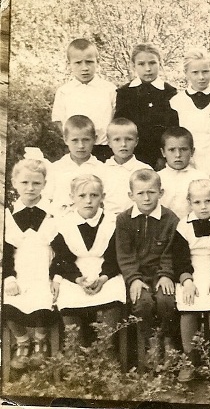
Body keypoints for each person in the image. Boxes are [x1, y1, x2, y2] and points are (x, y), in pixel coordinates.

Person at [50, 174, 126, 347]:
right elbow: (63, 258)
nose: (88, 201)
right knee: (68, 298)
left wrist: (103, 278)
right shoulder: (64, 224)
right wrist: (77, 279)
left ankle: (106, 349)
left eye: (94, 195)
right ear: (72, 198)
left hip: (106, 273)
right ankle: (77, 352)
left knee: (112, 296)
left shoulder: (112, 222)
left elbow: (114, 257)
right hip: (75, 274)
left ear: (102, 197)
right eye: (82, 196)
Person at [115, 169, 180, 370]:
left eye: (151, 192)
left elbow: (171, 251)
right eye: (140, 193)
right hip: (137, 275)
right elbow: (125, 254)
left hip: (161, 274)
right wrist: (133, 278)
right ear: (131, 195)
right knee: (142, 302)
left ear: (161, 193)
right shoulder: (124, 220)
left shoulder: (170, 219)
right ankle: (150, 342)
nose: (146, 198)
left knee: (166, 300)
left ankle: (167, 340)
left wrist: (166, 274)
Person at [3, 159, 57, 370]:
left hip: (44, 270)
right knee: (8, 301)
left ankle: (41, 340)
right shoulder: (8, 214)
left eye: (36, 183)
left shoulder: (52, 212)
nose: (30, 188)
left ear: (44, 184)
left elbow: (61, 249)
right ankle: (22, 340)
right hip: (19, 271)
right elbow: (6, 252)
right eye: (24, 182)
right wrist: (9, 277)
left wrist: (56, 276)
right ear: (14, 183)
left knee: (45, 300)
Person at [173, 179, 210, 382]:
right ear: (189, 202)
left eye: (208, 201)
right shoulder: (183, 225)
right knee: (188, 304)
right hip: (192, 271)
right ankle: (189, 357)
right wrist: (187, 280)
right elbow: (179, 258)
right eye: (197, 202)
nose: (203, 207)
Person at [114, 43, 179, 169]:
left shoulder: (169, 92)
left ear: (160, 63)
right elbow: (120, 126)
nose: (148, 69)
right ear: (133, 66)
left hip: (161, 158)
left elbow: (173, 129)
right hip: (132, 156)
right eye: (141, 64)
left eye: (152, 63)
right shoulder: (124, 93)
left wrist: (163, 157)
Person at [169, 48, 210, 177]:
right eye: (195, 72)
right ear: (186, 73)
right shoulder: (176, 101)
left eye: (205, 72)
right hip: (186, 154)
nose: (201, 77)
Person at [52, 38, 116, 162]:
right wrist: (74, 140)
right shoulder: (64, 91)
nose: (84, 68)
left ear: (97, 62)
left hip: (104, 149)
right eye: (78, 63)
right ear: (69, 64)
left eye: (89, 62)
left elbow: (115, 118)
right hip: (77, 149)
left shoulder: (109, 89)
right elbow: (59, 121)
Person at [44, 115, 105, 218]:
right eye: (75, 140)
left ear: (95, 139)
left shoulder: (102, 169)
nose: (81, 145)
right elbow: (46, 198)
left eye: (86, 140)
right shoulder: (56, 168)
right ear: (65, 139)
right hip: (60, 221)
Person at [102, 118, 153, 215]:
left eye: (129, 139)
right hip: (109, 219)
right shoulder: (102, 169)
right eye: (117, 139)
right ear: (109, 142)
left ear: (136, 142)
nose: (123, 144)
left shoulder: (144, 169)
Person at [158, 127, 209, 219]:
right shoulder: (158, 178)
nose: (178, 155)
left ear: (192, 151)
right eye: (172, 150)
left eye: (183, 149)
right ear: (163, 152)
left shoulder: (201, 177)